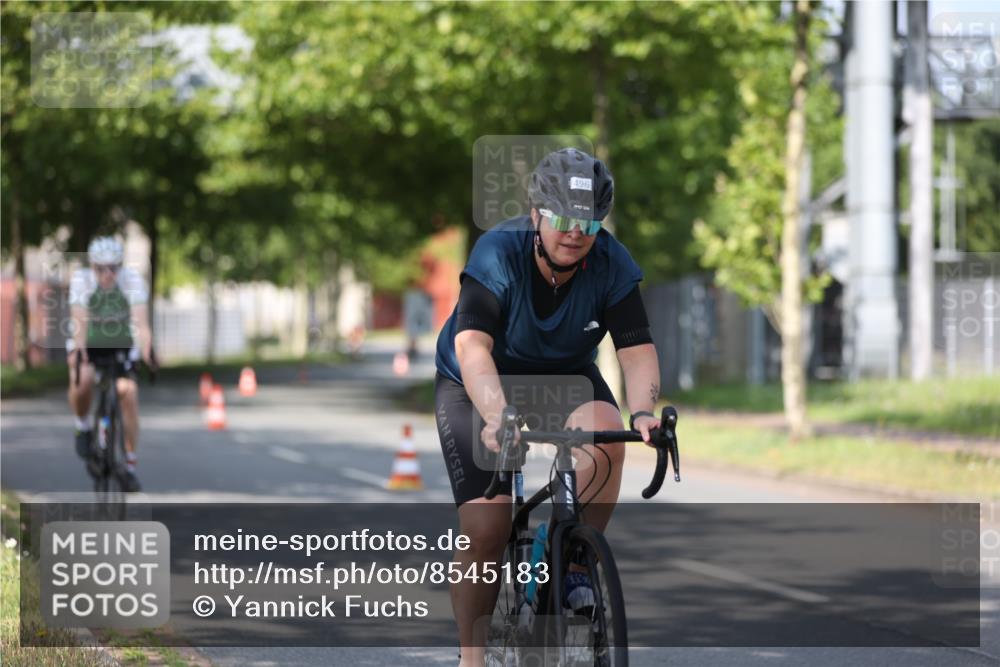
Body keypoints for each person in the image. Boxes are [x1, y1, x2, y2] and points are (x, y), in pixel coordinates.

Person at [434, 148, 662, 666]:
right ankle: (473, 660)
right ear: (535, 213)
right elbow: (474, 347)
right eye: (561, 217)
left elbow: (637, 351)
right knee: (487, 530)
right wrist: (496, 415)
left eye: (587, 221)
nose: (575, 231)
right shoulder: (498, 252)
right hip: (479, 381)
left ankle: (573, 557)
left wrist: (644, 413)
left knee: (607, 434)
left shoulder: (611, 262)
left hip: (564, 376)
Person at [67, 236, 154, 492]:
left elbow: (141, 324)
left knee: (128, 393)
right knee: (82, 380)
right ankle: (82, 427)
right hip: (89, 341)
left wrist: (148, 352)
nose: (107, 274)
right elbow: (79, 321)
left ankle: (129, 464)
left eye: (113, 267)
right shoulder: (82, 281)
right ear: (92, 266)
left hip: (121, 342)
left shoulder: (132, 280)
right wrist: (80, 353)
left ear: (121, 265)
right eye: (100, 268)